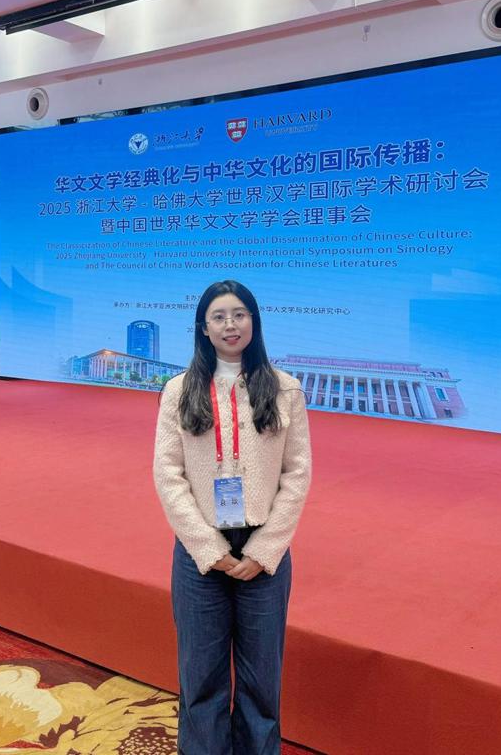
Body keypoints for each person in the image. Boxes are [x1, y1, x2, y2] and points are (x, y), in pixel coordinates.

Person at [153, 279, 312, 755]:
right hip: (200, 553)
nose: (230, 325)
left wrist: (265, 550)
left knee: (262, 681)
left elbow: (297, 474)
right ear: (203, 328)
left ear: (254, 322)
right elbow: (168, 474)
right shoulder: (179, 390)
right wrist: (208, 548)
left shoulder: (284, 388)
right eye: (219, 316)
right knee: (200, 678)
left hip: (264, 552)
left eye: (239, 314)